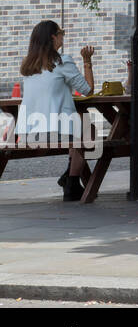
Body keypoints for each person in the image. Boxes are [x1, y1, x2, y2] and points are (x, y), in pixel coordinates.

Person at [17, 21, 94, 202]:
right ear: (53, 36)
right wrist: (87, 61)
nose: (63, 36)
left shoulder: (28, 65)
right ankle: (72, 181)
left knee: (78, 127)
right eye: (62, 32)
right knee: (89, 131)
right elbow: (87, 90)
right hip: (50, 131)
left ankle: (70, 175)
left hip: (27, 132)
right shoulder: (62, 61)